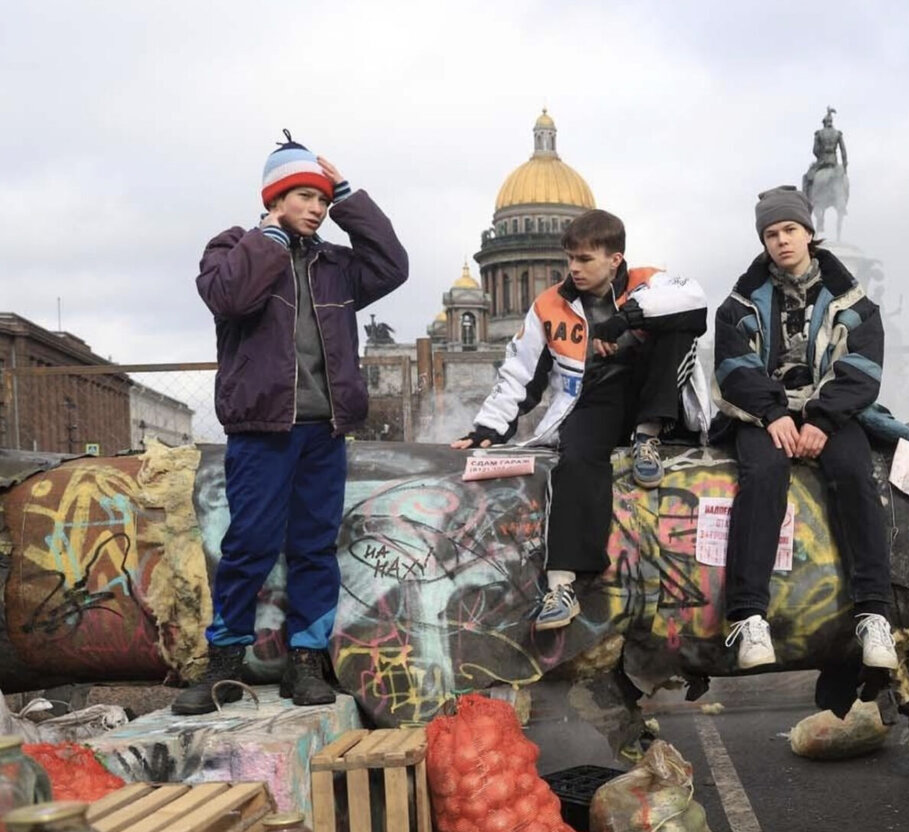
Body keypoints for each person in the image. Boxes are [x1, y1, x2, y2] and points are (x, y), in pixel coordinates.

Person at [173, 131, 408, 715]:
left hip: (323, 429)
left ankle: (306, 661)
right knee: (248, 545)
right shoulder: (233, 247)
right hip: (262, 428)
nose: (317, 209)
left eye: (324, 201)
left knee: (313, 548)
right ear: (276, 197)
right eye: (306, 196)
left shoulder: (337, 265)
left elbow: (393, 265)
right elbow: (228, 299)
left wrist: (351, 197)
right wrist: (271, 238)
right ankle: (222, 664)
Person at [451, 209, 710, 630]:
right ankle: (562, 586)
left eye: (585, 259)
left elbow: (694, 304)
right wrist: (486, 430)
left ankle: (647, 437)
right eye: (570, 258)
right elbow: (519, 372)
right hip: (595, 396)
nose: (574, 268)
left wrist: (622, 325)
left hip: (657, 400)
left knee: (675, 329)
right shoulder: (549, 305)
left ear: (615, 259)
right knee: (575, 461)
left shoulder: (651, 280)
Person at [712, 185, 908, 672]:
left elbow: (863, 367)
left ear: (809, 233)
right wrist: (774, 414)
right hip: (764, 413)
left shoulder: (852, 301)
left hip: (830, 411)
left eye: (790, 230)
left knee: (855, 475)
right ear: (763, 241)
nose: (781, 241)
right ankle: (748, 615)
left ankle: (873, 613)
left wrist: (821, 418)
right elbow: (734, 367)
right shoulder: (738, 305)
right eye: (772, 233)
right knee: (762, 475)